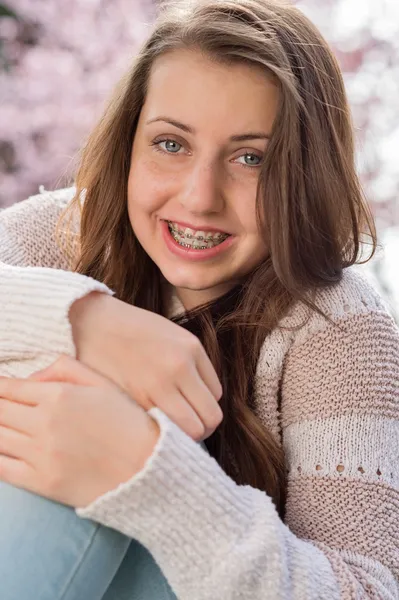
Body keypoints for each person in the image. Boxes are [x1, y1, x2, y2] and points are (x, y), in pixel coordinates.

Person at [0, 0, 398, 598]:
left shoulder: (337, 329)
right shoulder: (57, 237)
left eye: (250, 158)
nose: (200, 197)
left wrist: (150, 478)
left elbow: (368, 589)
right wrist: (84, 321)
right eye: (170, 144)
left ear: (302, 175)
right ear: (129, 141)